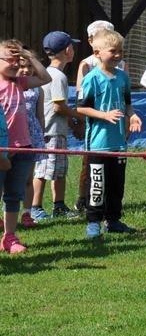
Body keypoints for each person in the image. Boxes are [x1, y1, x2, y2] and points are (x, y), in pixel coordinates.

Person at [75, 30, 142, 239]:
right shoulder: (91, 79)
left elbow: (128, 104)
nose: (118, 55)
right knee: (97, 184)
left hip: (119, 143)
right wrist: (104, 115)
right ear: (97, 53)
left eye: (120, 51)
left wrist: (132, 116)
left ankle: (113, 220)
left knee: (116, 184)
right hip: (98, 143)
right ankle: (93, 222)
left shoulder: (123, 77)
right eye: (113, 51)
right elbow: (81, 108)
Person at [0, 39, 51, 253]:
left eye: (17, 59)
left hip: (23, 146)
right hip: (2, 149)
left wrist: (27, 56)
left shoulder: (20, 82)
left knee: (14, 194)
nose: (15, 63)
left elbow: (45, 77)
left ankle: (9, 237)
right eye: (9, 59)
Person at [32, 31, 83, 221]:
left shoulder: (49, 73)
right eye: (72, 46)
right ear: (67, 50)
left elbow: (60, 107)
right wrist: (82, 117)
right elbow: (58, 107)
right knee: (44, 171)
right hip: (50, 132)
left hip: (57, 131)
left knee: (59, 170)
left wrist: (72, 124)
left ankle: (59, 205)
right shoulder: (58, 76)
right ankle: (35, 208)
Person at [74, 20, 124, 213]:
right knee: (92, 167)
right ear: (92, 43)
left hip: (117, 132)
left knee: (115, 175)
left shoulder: (121, 70)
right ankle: (86, 203)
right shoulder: (87, 66)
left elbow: (125, 100)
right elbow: (82, 98)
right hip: (97, 130)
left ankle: (113, 215)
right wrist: (101, 114)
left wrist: (129, 118)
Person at [18, 50, 46, 228]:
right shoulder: (10, 85)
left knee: (29, 178)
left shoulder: (37, 88)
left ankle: (26, 213)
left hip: (32, 136)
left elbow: (40, 115)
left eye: (30, 66)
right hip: (12, 137)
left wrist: (41, 135)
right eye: (22, 66)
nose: (26, 70)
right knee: (4, 179)